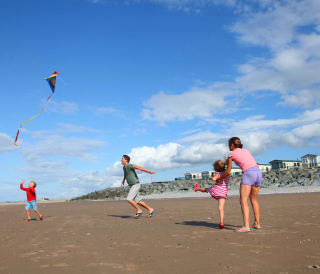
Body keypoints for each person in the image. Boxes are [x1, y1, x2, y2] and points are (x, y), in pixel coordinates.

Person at [221, 137, 262, 232]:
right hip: (258, 172)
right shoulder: (246, 151)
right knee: (254, 199)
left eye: (228, 145)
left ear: (232, 145)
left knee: (243, 201)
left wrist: (220, 179)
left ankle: (246, 226)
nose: (228, 147)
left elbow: (227, 171)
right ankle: (257, 223)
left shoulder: (232, 154)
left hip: (248, 173)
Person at [194, 160, 230, 229]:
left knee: (206, 189)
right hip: (223, 192)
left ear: (216, 168)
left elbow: (214, 179)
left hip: (216, 190)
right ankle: (221, 222)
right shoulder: (227, 174)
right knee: (221, 208)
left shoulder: (218, 173)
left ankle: (197, 188)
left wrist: (213, 178)